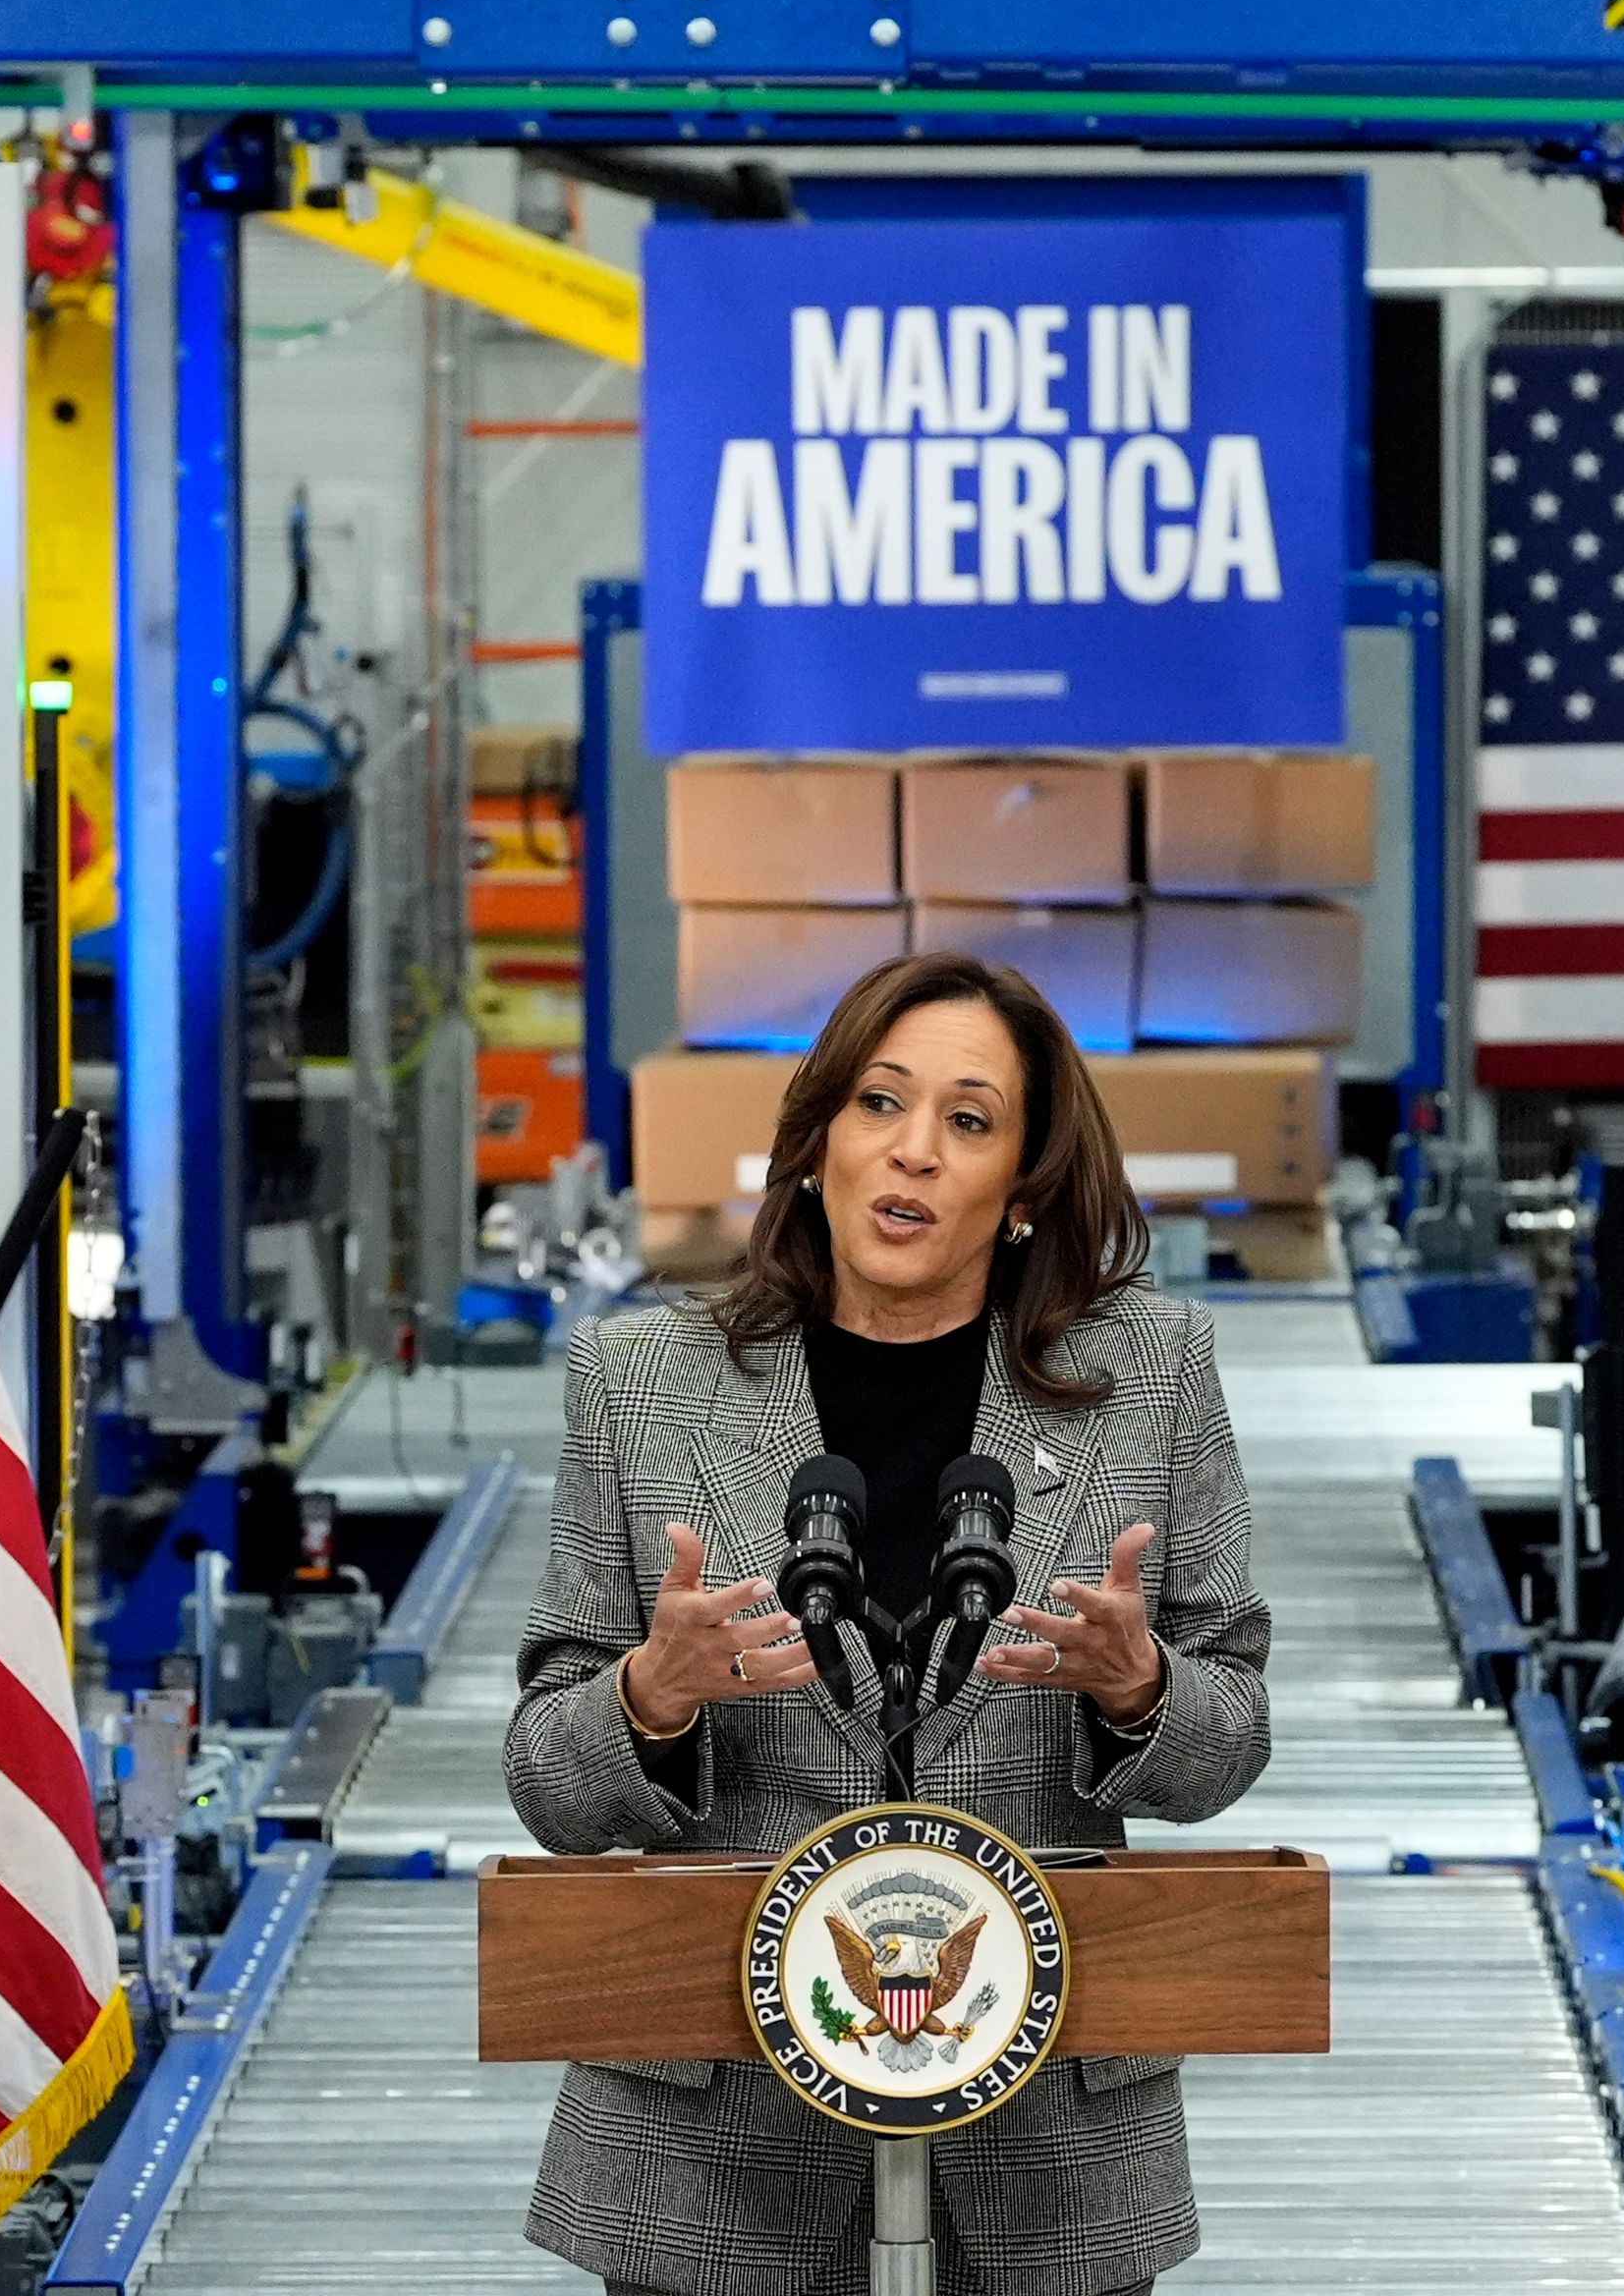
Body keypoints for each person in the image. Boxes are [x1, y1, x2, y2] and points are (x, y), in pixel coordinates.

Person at [503, 950, 1272, 2296]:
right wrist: (648, 1699)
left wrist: (1142, 1690)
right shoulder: (640, 1382)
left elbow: (1233, 1738)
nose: (912, 1154)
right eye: (878, 1103)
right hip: (712, 2163)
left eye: (968, 1121)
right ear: (813, 1145)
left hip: (1043, 2163)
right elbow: (546, 1780)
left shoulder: (1152, 1375)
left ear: (1026, 1186)